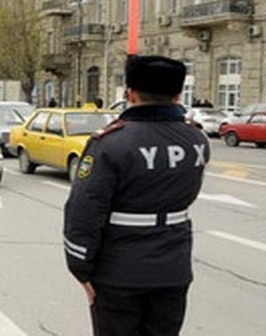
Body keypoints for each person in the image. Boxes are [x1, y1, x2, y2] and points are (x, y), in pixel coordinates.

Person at [63, 55, 210, 336]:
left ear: (129, 93)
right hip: (173, 268)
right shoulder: (196, 140)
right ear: (178, 95)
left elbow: (84, 212)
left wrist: (80, 268)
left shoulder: (109, 143)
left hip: (118, 272)